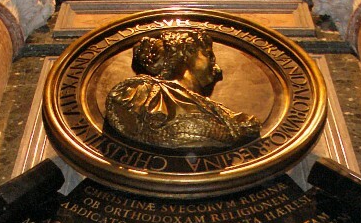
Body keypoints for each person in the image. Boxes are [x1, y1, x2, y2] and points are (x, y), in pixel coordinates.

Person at [105, 29, 261, 150]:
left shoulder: (224, 114)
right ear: (188, 53)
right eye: (209, 56)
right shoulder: (139, 94)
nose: (217, 68)